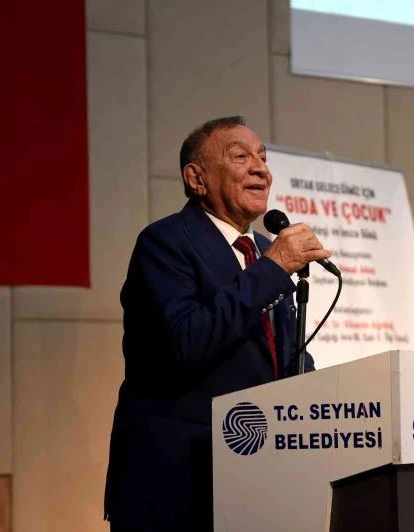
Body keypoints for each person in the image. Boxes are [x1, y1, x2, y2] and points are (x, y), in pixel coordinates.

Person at [103, 115, 332, 531]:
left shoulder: (261, 250)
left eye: (263, 157)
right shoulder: (165, 243)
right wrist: (273, 269)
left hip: (255, 480)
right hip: (178, 485)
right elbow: (186, 342)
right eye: (240, 157)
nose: (260, 169)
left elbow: (285, 354)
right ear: (197, 179)